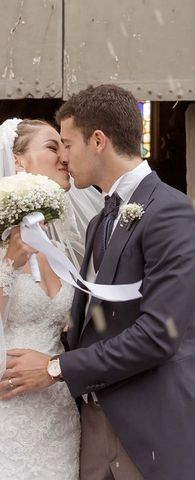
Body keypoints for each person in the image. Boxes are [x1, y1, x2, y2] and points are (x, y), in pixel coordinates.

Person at [0, 85, 195, 479]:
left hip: (152, 434)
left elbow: (158, 334)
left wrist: (52, 368)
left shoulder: (172, 213)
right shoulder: (99, 222)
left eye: (66, 143)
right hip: (87, 436)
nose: (63, 157)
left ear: (98, 141)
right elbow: (91, 327)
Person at [0, 118, 101, 479]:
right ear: (19, 161)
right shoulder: (3, 246)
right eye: (52, 147)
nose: (64, 158)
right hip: (8, 408)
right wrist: (10, 262)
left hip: (58, 409)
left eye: (66, 147)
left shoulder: (61, 247)